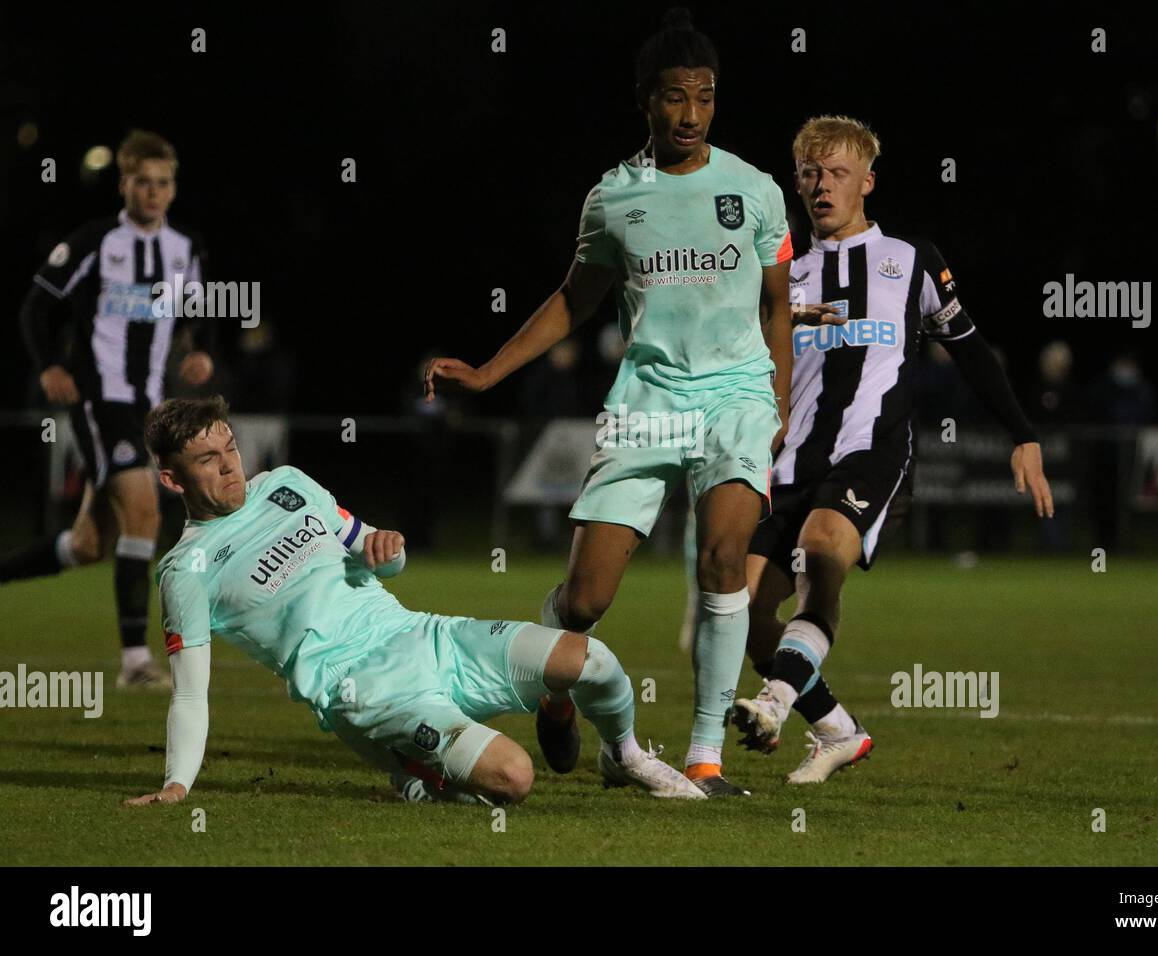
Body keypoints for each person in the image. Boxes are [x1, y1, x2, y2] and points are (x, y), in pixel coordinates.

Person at [425, 9, 793, 796]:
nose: (690, 113)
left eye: (705, 97)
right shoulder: (614, 197)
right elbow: (573, 298)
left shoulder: (755, 190)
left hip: (735, 397)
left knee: (725, 562)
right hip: (647, 401)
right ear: (645, 101)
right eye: (674, 97)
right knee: (586, 600)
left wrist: (779, 399)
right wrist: (490, 372)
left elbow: (779, 307)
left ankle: (703, 756)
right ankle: (555, 688)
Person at [124, 397, 701, 808]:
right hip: (363, 688)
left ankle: (622, 756)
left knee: (592, 661)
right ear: (172, 480)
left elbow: (378, 552)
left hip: (421, 633)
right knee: (514, 778)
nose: (231, 466)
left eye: (231, 448)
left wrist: (388, 549)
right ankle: (412, 771)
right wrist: (177, 786)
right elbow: (192, 691)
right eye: (209, 460)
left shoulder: (290, 484)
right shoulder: (186, 570)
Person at [734, 116, 1054, 783]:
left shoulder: (911, 260)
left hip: (871, 450)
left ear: (867, 182)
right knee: (739, 606)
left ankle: (773, 702)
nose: (823, 186)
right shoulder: (778, 271)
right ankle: (837, 730)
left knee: (821, 553)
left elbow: (970, 351)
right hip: (783, 460)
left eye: (839, 173)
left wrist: (1022, 433)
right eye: (811, 173)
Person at [1, 130, 214, 690]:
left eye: (163, 183)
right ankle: (135, 665)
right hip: (101, 399)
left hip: (148, 406)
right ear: (124, 184)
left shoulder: (185, 248)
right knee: (144, 513)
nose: (153, 192)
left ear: (172, 189)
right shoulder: (96, 240)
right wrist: (50, 365)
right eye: (142, 181)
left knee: (87, 545)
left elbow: (194, 315)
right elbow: (34, 307)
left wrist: (197, 356)